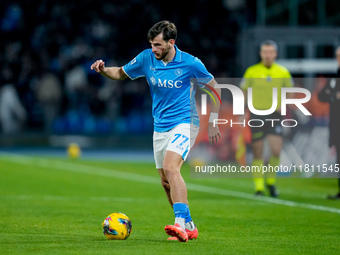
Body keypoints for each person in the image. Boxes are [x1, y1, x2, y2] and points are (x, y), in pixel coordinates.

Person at [91, 20, 221, 241]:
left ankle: (179, 224)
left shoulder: (190, 63)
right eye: (152, 44)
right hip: (160, 126)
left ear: (171, 42)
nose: (154, 49)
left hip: (185, 122)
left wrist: (214, 120)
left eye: (158, 45)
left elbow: (214, 87)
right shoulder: (146, 58)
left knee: (172, 167)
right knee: (165, 180)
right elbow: (121, 73)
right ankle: (189, 224)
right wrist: (103, 70)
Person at [240, 40, 293, 197]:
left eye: (270, 52)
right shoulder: (252, 71)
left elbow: (289, 92)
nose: (268, 55)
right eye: (265, 52)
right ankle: (259, 187)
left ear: (275, 54)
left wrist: (284, 106)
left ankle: (270, 182)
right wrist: (244, 110)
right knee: (258, 152)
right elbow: (243, 91)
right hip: (256, 114)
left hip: (275, 115)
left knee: (276, 151)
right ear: (261, 54)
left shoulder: (283, 72)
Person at [318, 46, 340, 199]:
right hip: (336, 122)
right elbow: (321, 95)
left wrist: (332, 95)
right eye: (338, 55)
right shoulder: (334, 77)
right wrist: (334, 95)